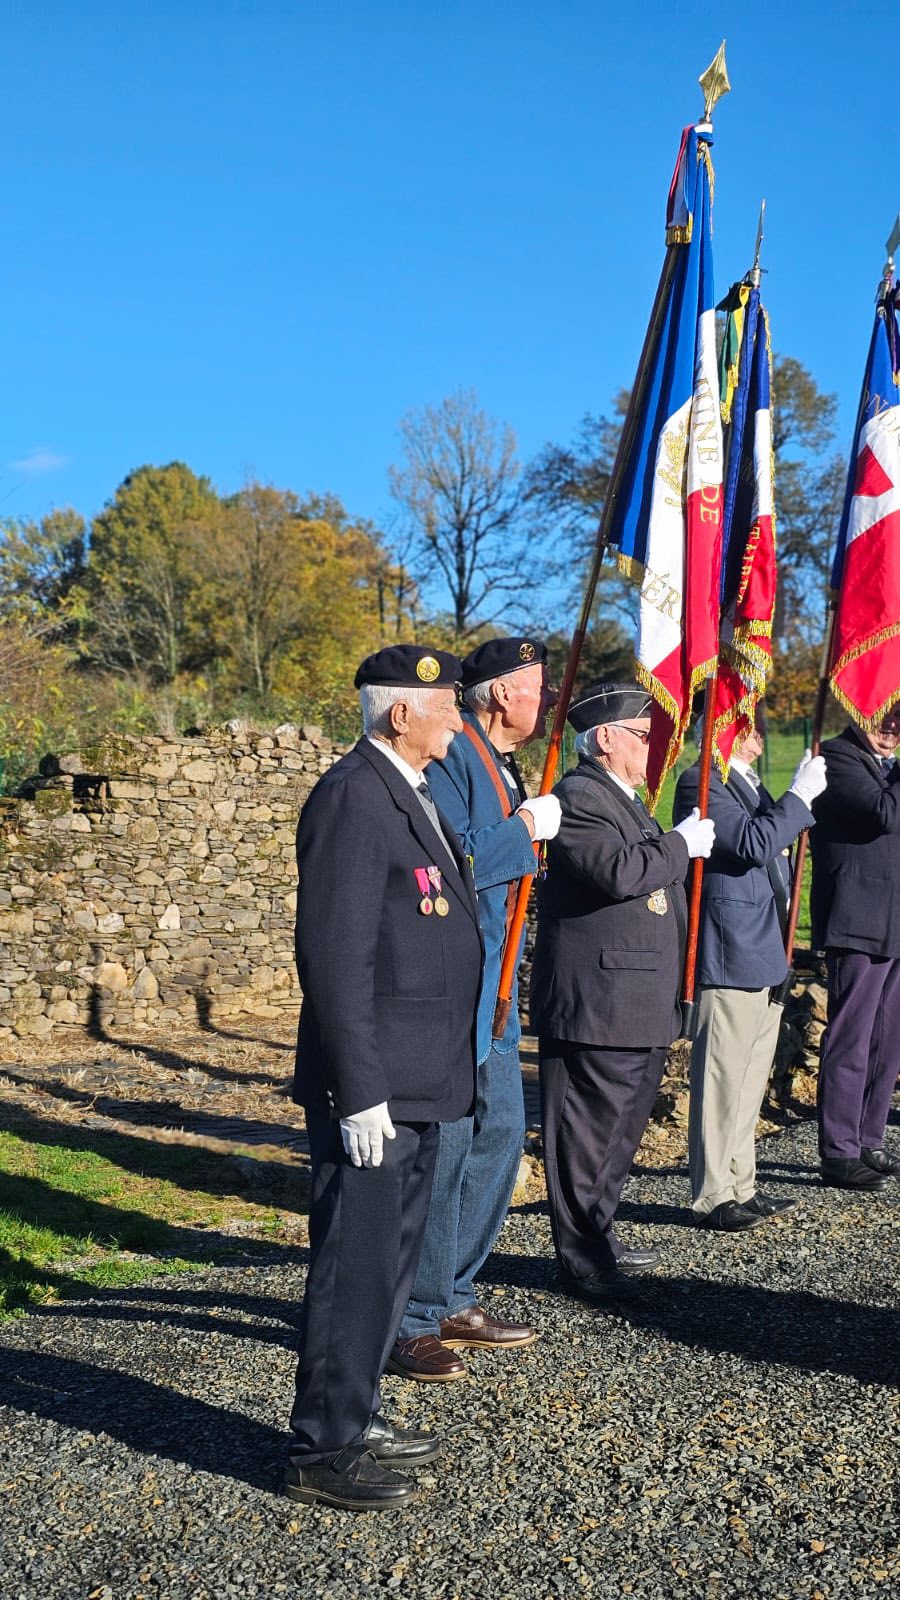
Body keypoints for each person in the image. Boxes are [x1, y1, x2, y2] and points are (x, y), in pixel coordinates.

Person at [285, 644, 484, 1512]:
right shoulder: (353, 796)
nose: (458, 720)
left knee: (390, 1265)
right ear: (400, 713)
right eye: (445, 707)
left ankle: (355, 1415)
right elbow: (334, 953)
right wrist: (357, 1087)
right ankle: (323, 1449)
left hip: (420, 1077)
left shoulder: (407, 792)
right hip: (378, 1087)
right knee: (352, 1266)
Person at [389, 637, 560, 1381]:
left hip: (498, 983)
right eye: (535, 689)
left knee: (499, 1130)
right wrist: (524, 831)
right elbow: (455, 859)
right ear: (499, 695)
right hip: (463, 981)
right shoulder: (460, 757)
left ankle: (453, 1287)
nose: (545, 701)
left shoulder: (504, 762)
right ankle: (416, 1313)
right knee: (454, 1141)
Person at [531, 681, 715, 1301]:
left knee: (617, 1134)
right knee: (586, 1134)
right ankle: (580, 1256)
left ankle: (598, 1238)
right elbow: (621, 872)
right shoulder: (581, 795)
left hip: (634, 996)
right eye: (643, 735)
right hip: (599, 999)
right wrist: (680, 845)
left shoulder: (624, 797)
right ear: (605, 738)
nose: (654, 747)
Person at [674, 717, 827, 1230]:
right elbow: (752, 843)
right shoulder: (701, 781)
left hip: (763, 948)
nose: (758, 734)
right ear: (722, 730)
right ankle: (714, 1195)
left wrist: (794, 801)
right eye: (747, 723)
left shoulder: (746, 784)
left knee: (747, 1080)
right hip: (730, 949)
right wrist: (798, 798)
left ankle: (742, 1183)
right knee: (721, 1078)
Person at [809, 708, 900, 1190]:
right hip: (857, 918)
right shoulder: (837, 757)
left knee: (888, 1041)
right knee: (851, 1038)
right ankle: (839, 1151)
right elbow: (885, 815)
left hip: (893, 919)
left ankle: (868, 1137)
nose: (892, 729)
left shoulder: (886, 767)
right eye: (884, 718)